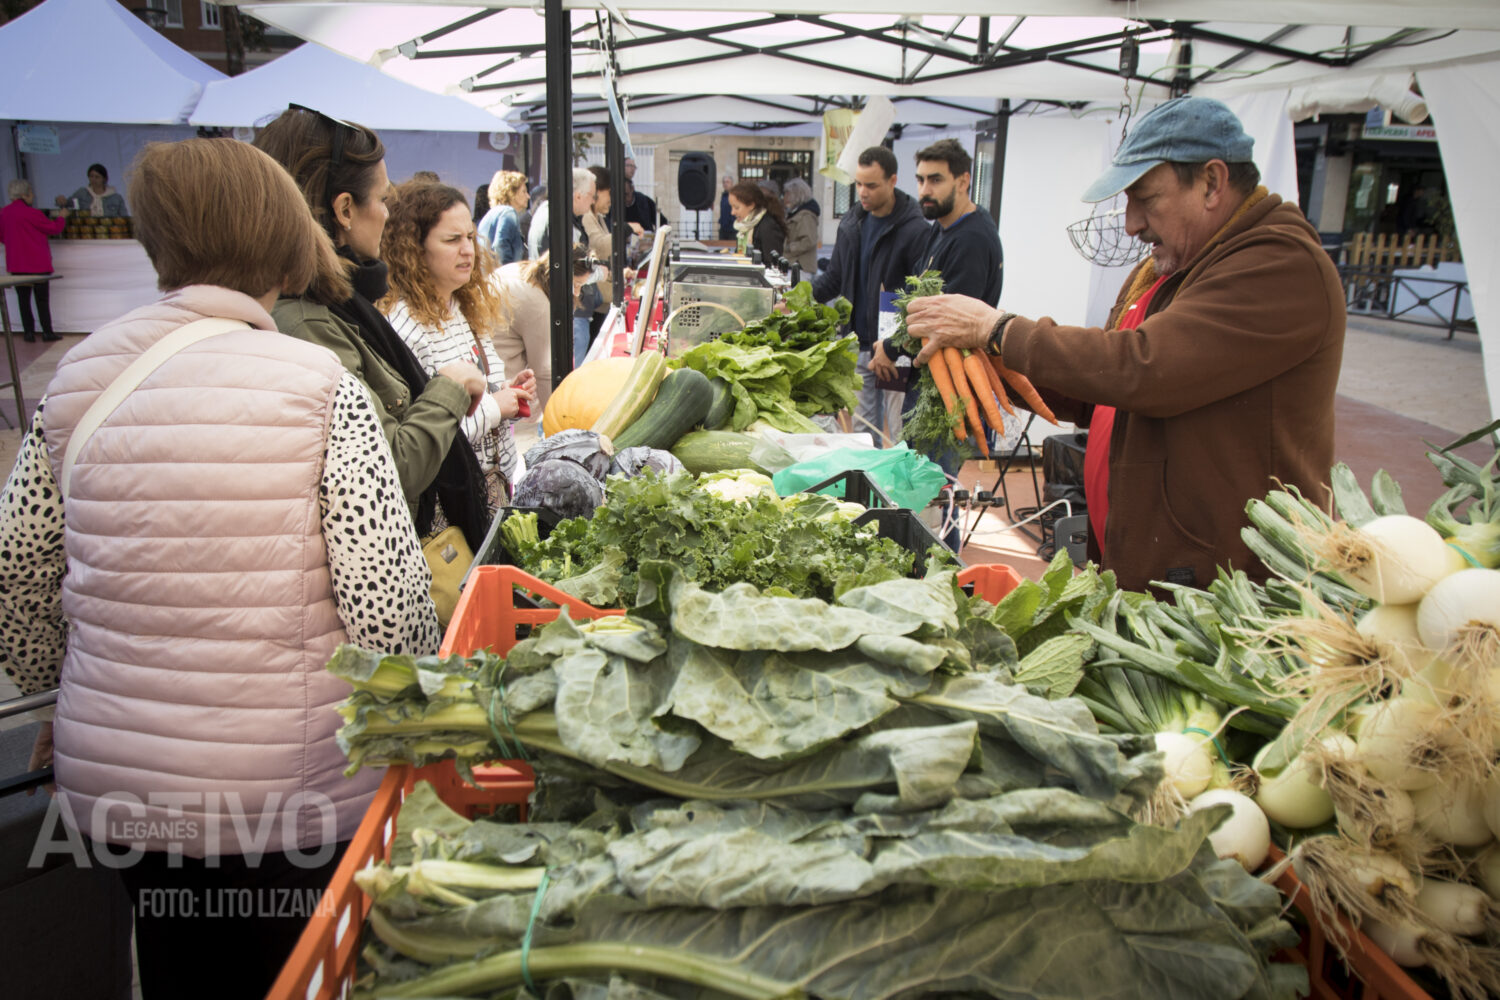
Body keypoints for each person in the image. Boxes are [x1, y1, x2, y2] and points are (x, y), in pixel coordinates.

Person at [0, 137, 440, 1000]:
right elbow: (386, 610)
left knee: (177, 968)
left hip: (123, 793)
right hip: (292, 796)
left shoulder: (77, 374)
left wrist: (60, 691)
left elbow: (18, 566)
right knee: (298, 976)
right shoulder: (317, 383)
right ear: (282, 235)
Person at [905, 97, 1346, 592]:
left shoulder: (1281, 265)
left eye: (1146, 198)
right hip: (1158, 565)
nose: (1133, 224)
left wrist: (1000, 329)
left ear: (1212, 183)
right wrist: (994, 363)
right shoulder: (1171, 270)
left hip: (1224, 583)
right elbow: (1106, 387)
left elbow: (1143, 367)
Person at [253, 105, 494, 554]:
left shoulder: (335, 307)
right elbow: (391, 469)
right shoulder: (310, 324)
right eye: (382, 199)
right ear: (345, 208)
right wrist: (449, 386)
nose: (386, 213)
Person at [381, 181, 534, 514]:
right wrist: (495, 406)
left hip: (490, 492)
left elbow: (477, 392)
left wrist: (507, 390)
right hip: (452, 511)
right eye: (452, 240)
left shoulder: (461, 305)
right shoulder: (404, 328)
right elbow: (422, 438)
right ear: (414, 248)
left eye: (469, 237)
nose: (468, 250)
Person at [810, 147, 928, 446]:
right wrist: (803, 297)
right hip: (859, 344)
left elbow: (921, 298)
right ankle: (870, 490)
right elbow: (835, 277)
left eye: (871, 185)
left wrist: (895, 344)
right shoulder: (853, 222)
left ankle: (901, 489)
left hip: (895, 351)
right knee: (865, 434)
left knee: (900, 433)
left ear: (892, 180)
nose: (863, 192)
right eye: (859, 184)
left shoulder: (915, 230)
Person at [492, 243, 597, 421]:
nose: (577, 293)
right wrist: (559, 422)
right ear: (563, 278)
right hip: (500, 385)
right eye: (576, 284)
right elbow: (545, 371)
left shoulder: (525, 274)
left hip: (497, 378)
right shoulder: (536, 303)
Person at [1, 179, 67, 342]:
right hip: (38, 263)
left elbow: (2, 237)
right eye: (31, 192)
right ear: (24, 194)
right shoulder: (34, 213)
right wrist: (61, 218)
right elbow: (53, 228)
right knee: (42, 300)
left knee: (23, 300)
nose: (33, 195)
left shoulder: (3, 213)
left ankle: (28, 332)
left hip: (17, 264)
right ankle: (47, 332)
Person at [477, 169, 529, 265]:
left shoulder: (492, 213)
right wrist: (507, 272)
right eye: (524, 192)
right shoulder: (509, 212)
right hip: (502, 276)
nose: (528, 196)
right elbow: (500, 244)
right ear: (511, 193)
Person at [726, 180, 786, 260]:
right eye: (731, 207)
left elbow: (772, 264)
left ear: (751, 205)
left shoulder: (767, 226)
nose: (732, 212)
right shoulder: (745, 226)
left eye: (736, 207)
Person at [781, 177, 821, 275]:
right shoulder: (794, 212)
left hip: (802, 267)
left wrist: (790, 248)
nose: (784, 197)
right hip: (793, 265)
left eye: (787, 193)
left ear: (795, 195)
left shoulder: (806, 215)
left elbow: (809, 240)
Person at [56, 162, 126, 217]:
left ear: (104, 179)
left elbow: (124, 217)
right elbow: (67, 204)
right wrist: (61, 201)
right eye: (91, 176)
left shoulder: (116, 197)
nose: (93, 179)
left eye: (97, 177)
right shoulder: (82, 192)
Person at [718, 173, 736, 240]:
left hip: (732, 229)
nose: (725, 184)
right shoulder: (723, 196)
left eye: (727, 182)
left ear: (732, 183)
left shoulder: (735, 195)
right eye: (724, 182)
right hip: (723, 229)